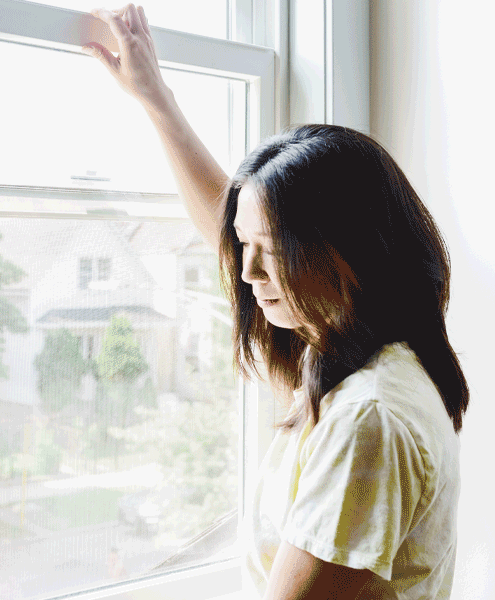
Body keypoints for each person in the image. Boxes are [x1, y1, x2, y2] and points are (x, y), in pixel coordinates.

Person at [82, 5, 468, 599]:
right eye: (245, 246)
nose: (248, 272)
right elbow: (230, 228)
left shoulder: (367, 418)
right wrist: (157, 101)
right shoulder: (353, 354)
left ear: (347, 247)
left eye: (274, 250)